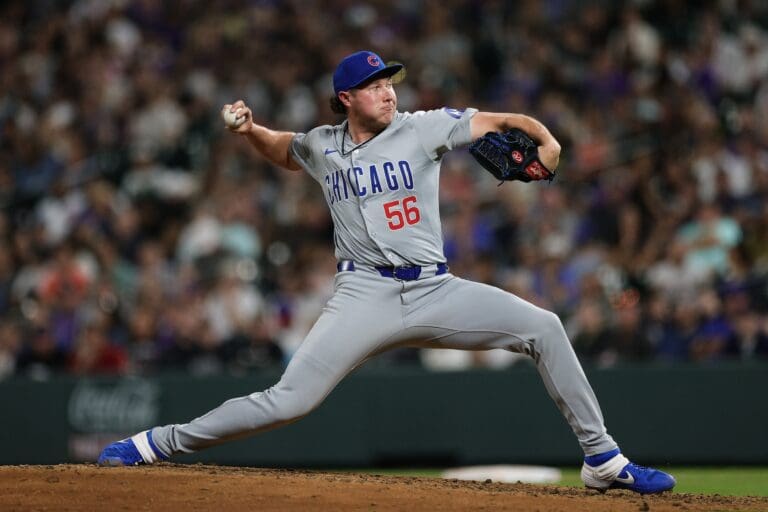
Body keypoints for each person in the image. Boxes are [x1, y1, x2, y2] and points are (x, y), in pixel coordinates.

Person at [98, 50, 675, 494]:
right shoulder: (323, 146)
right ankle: (153, 444)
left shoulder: (421, 127)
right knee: (289, 401)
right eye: (375, 86)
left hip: (434, 286)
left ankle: (602, 460)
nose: (388, 92)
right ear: (346, 97)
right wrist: (251, 131)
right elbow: (284, 148)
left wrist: (544, 137)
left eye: (390, 82)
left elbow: (498, 119)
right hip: (362, 294)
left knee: (544, 327)